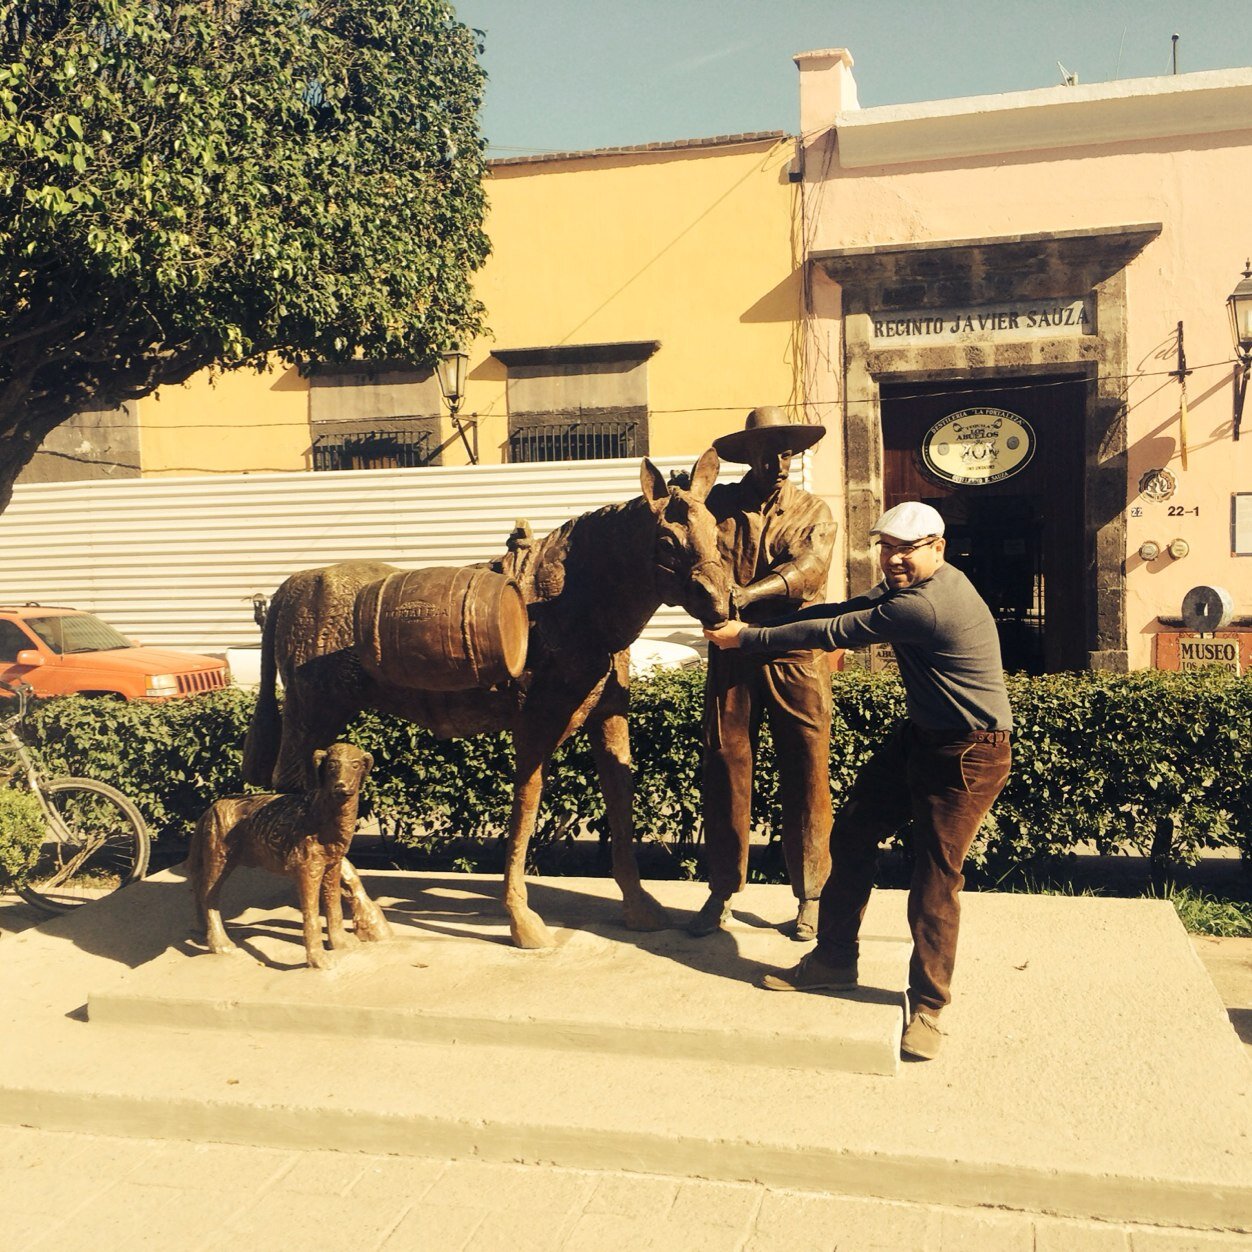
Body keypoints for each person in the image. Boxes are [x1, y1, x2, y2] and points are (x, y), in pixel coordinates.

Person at [702, 500, 1012, 1060]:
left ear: (938, 547)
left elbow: (835, 629)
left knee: (936, 876)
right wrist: (751, 620)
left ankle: (929, 1008)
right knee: (851, 832)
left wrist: (743, 639)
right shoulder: (906, 590)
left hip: (969, 753)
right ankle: (833, 961)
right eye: (886, 548)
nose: (893, 559)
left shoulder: (928, 605)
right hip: (922, 736)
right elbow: (845, 605)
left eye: (907, 550)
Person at [688, 406, 837, 942]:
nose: (779, 462)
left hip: (793, 653)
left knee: (806, 768)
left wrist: (747, 595)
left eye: (787, 451)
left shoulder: (813, 510)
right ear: (747, 455)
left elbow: (810, 570)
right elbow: (690, 552)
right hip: (731, 651)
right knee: (726, 767)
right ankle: (722, 890)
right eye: (767, 451)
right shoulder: (720, 505)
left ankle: (813, 895)